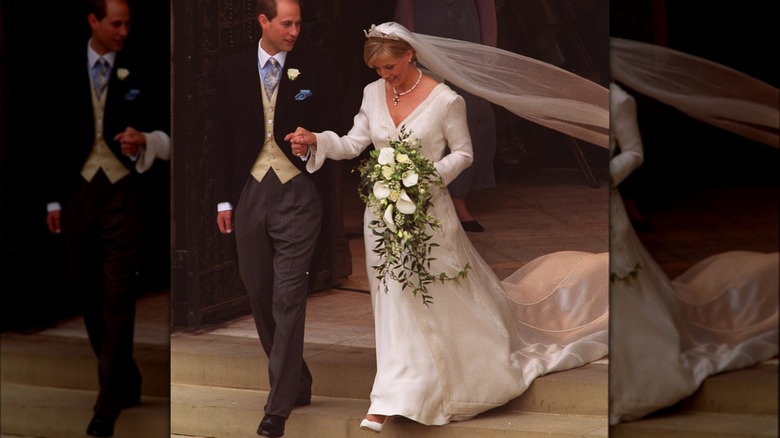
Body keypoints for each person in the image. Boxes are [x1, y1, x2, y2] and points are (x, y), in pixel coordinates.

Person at [286, 21, 609, 432]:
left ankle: (447, 378)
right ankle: (393, 393)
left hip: (430, 215)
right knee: (392, 303)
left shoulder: (445, 100)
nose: (385, 77)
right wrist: (317, 140)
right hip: (382, 218)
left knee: (438, 297)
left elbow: (464, 154)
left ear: (410, 54)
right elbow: (354, 142)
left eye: (391, 67)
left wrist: (424, 178)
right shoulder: (372, 94)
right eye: (378, 70)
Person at [608, 56, 779, 425]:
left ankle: (643, 374)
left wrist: (609, 173)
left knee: (623, 277)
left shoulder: (619, 100)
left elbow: (634, 152)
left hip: (610, 199)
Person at [212, 0, 340, 436]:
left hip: (299, 194)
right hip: (249, 192)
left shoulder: (317, 67)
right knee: (258, 288)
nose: (294, 31)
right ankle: (297, 379)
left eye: (299, 23)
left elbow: (335, 127)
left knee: (288, 296)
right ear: (263, 21)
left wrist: (314, 140)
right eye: (287, 23)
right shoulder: (230, 68)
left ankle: (277, 408)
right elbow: (221, 136)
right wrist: (223, 202)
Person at [43, 0, 171, 436]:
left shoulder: (143, 65)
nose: (123, 31)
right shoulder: (64, 65)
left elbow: (170, 127)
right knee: (87, 291)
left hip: (125, 195)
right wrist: (52, 201)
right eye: (115, 23)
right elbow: (44, 130)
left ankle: (107, 406)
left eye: (128, 23)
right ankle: (126, 377)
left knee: (118, 296)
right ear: (93, 21)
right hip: (78, 194)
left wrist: (147, 139)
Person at [394, 0, 497, 232]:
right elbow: (406, 6)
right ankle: (423, 194)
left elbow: (486, 8)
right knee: (426, 116)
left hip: (466, 38)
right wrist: (409, 50)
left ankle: (457, 197)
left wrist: (488, 54)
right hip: (426, 36)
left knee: (473, 114)